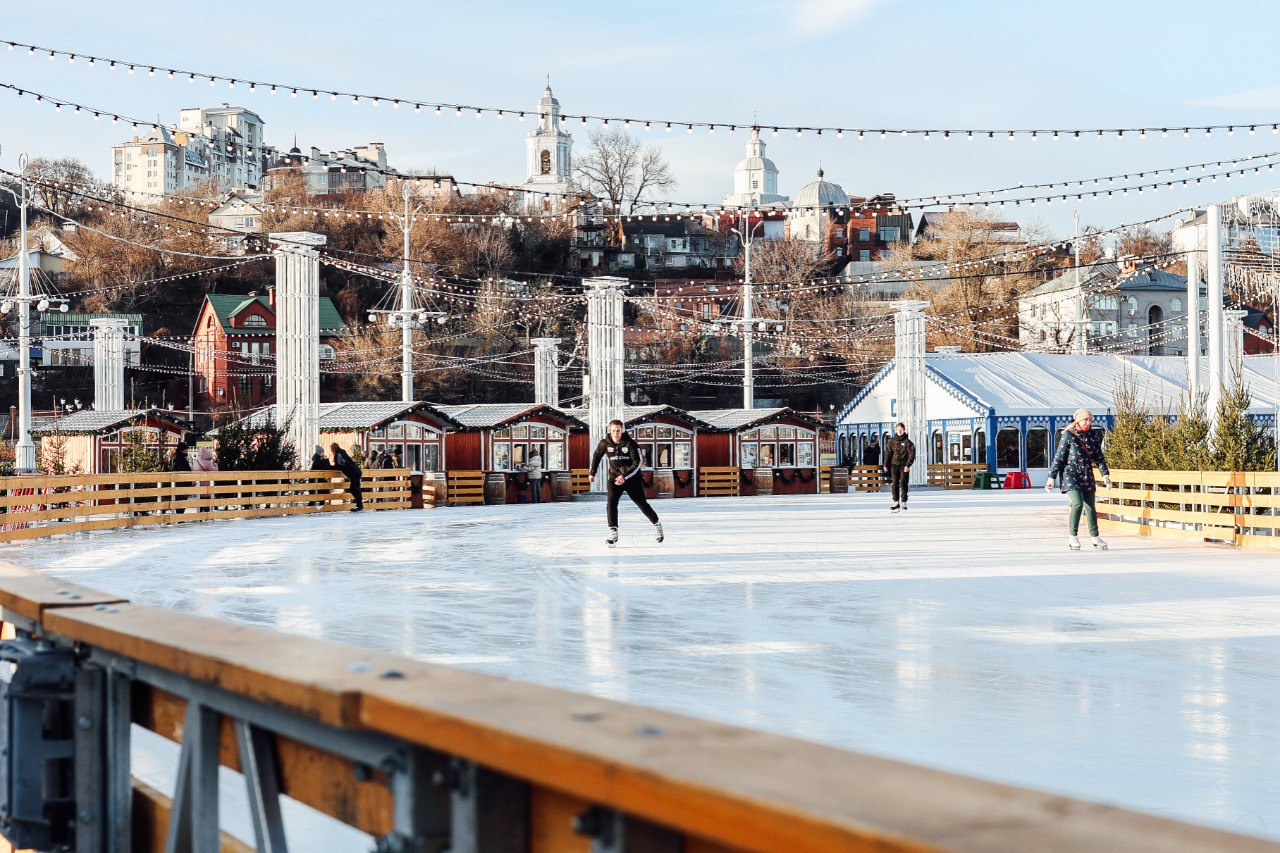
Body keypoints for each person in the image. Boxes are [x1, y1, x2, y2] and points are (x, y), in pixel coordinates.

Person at [1046, 407, 1113, 551]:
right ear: (1078, 420)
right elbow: (1059, 457)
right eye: (1085, 420)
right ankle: (1073, 536)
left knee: (1090, 506)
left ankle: (1095, 537)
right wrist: (1051, 478)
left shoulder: (1094, 435)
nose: (1087, 422)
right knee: (1077, 503)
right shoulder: (1068, 435)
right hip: (1071, 474)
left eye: (1090, 420)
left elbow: (1099, 458)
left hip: (1087, 474)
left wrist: (1105, 475)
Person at [589, 419, 661, 545]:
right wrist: (592, 472)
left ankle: (656, 524)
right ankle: (613, 531)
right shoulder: (605, 443)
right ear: (609, 431)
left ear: (622, 430)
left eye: (618, 431)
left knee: (642, 504)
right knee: (611, 503)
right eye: (613, 431)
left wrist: (625, 476)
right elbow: (596, 456)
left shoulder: (631, 444)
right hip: (614, 477)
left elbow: (638, 463)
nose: (616, 433)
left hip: (632, 478)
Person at [883, 422, 916, 512]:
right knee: (894, 483)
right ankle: (896, 502)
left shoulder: (908, 442)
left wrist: (908, 465)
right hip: (894, 465)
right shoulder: (891, 441)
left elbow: (912, 454)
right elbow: (888, 453)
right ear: (896, 430)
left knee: (903, 483)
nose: (899, 431)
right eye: (898, 430)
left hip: (904, 465)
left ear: (904, 430)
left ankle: (904, 502)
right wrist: (885, 464)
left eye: (901, 430)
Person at [331, 443, 364, 512]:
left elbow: (337, 466)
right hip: (356, 472)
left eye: (331, 449)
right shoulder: (342, 452)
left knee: (354, 489)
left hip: (354, 473)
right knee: (355, 489)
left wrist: (329, 466)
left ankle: (360, 505)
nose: (331, 450)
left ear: (333, 448)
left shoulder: (338, 454)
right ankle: (359, 505)